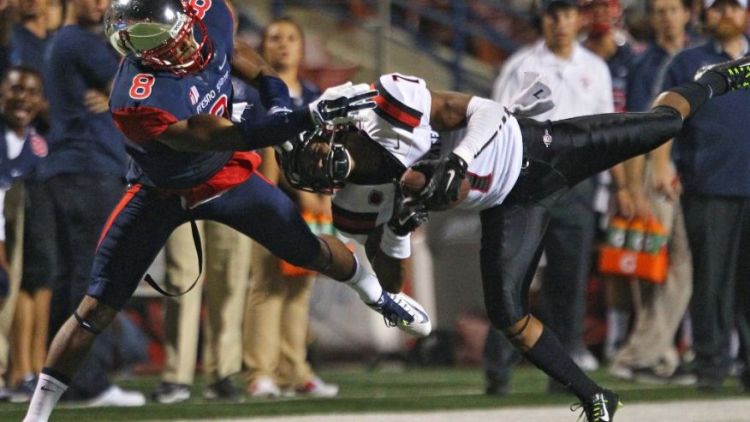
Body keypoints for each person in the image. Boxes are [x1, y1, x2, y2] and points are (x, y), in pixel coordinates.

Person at [277, 57, 750, 420]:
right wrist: (398, 233)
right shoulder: (353, 207)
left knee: (662, 124)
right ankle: (595, 396)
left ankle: (716, 78)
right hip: (507, 203)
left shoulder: (387, 108)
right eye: (306, 171)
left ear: (325, 129)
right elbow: (391, 280)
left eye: (312, 151)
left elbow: (484, 109)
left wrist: (459, 158)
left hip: (532, 147)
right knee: (507, 311)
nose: (318, 163)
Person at [22, 0, 430, 419]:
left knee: (306, 249)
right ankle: (38, 413)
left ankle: (381, 296)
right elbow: (220, 135)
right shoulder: (137, 97)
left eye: (183, 38)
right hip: (162, 189)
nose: (184, 51)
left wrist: (279, 103)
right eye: (168, 51)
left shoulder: (207, 14)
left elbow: (244, 60)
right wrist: (307, 116)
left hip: (224, 176)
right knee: (96, 306)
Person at [486, 0, 615, 394]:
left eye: (567, 14)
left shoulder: (596, 68)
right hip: (529, 182)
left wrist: (607, 190)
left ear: (579, 19)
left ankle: (564, 372)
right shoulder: (521, 66)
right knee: (513, 277)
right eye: (552, 15)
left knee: (569, 282)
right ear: (542, 20)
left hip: (577, 183)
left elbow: (608, 133)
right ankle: (499, 369)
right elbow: (497, 123)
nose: (560, 22)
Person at [31, 0, 143, 407]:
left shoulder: (70, 42)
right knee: (90, 278)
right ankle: (88, 383)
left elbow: (118, 90)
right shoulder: (79, 41)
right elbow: (136, 90)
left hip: (72, 168)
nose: (99, 4)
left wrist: (110, 93)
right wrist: (117, 88)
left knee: (70, 279)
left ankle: (61, 381)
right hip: (89, 167)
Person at [242, 17, 338, 399]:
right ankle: (260, 372)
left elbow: (326, 153)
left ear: (301, 47)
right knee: (267, 286)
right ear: (264, 48)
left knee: (300, 288)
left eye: (291, 38)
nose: (283, 45)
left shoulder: (314, 95)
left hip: (311, 201)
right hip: (273, 197)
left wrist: (325, 202)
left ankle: (296, 369)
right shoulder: (258, 94)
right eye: (274, 38)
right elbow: (265, 155)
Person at [660, 0, 750, 391]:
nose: (726, 14)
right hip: (708, 185)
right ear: (705, 14)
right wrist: (662, 162)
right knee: (712, 280)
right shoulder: (688, 62)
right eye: (718, 7)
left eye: (734, 6)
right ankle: (711, 364)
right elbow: (667, 113)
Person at [609, 0, 694, 384]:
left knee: (677, 267)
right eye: (659, 10)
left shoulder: (698, 56)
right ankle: (643, 354)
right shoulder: (644, 64)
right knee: (651, 268)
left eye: (673, 9)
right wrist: (631, 183)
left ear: (687, 14)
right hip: (657, 168)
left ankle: (655, 354)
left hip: (695, 166)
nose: (666, 16)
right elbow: (637, 126)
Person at [0, 66, 47, 400]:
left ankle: (13, 373)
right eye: (16, 89)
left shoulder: (39, 147)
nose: (23, 99)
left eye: (31, 92)